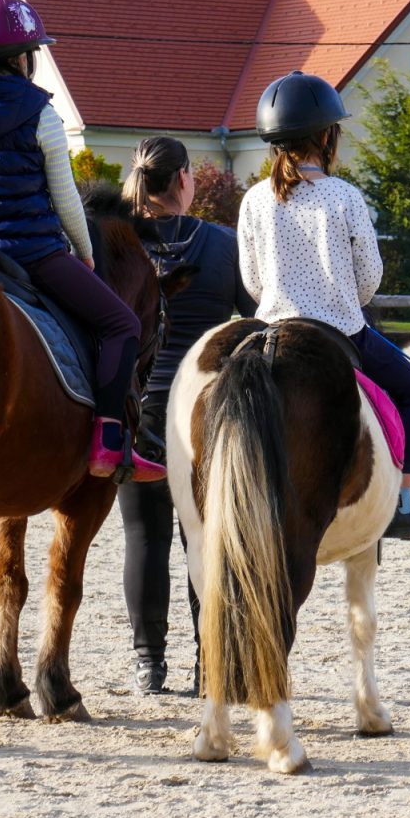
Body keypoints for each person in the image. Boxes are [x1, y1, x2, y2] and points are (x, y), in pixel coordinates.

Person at [0, 0, 162, 481]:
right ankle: (109, 442)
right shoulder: (40, 113)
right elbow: (66, 201)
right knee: (121, 324)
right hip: (27, 251)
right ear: (20, 58)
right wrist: (84, 252)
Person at [237, 70, 410, 540]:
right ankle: (403, 501)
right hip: (340, 330)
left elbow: (253, 281)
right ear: (326, 135)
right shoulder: (346, 196)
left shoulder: (253, 200)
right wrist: (342, 302)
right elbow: (369, 278)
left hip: (271, 329)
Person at [120, 136, 256, 694]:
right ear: (182, 181)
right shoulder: (223, 244)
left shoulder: (120, 245)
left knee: (143, 536)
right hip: (208, 404)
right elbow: (254, 317)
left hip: (143, 405)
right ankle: (209, 662)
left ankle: (148, 665)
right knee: (206, 536)